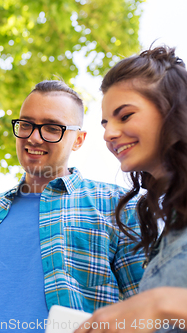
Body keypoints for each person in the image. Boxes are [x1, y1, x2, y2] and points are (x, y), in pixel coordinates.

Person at [0, 80, 146, 332]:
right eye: (26, 124)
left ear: (78, 140)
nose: (34, 137)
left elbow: (146, 309)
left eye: (51, 128)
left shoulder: (118, 206)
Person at [80, 47, 187, 333]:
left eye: (124, 116)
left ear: (172, 110)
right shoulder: (170, 225)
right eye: (105, 124)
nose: (108, 134)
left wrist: (163, 302)